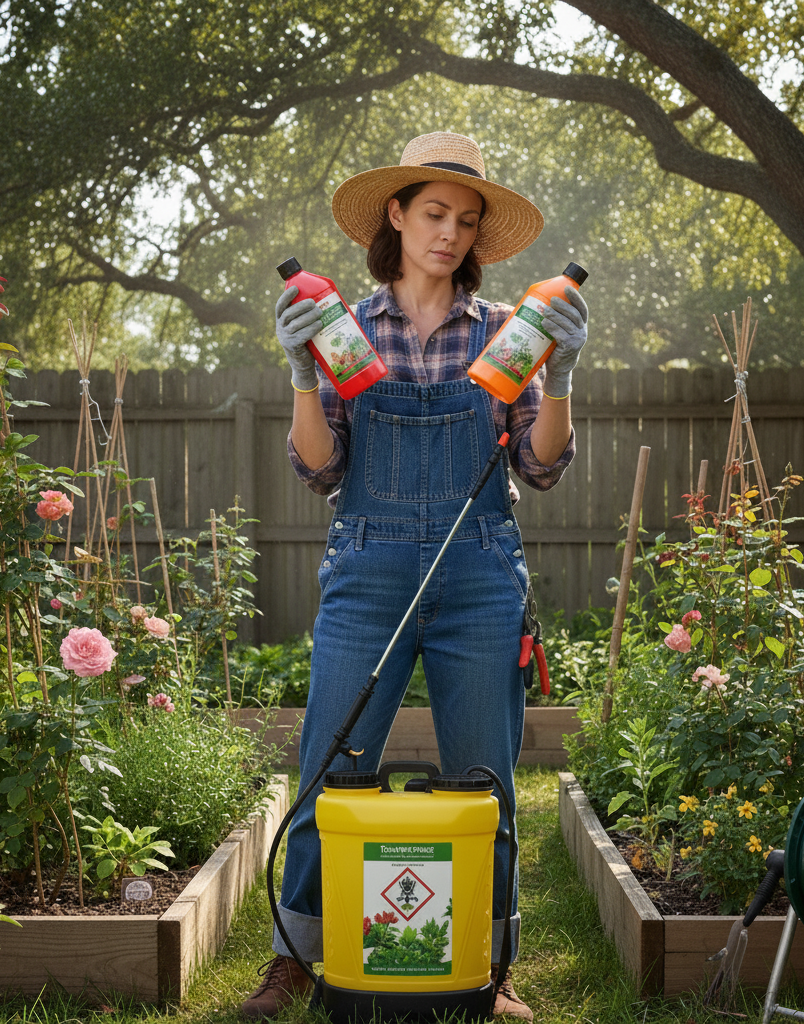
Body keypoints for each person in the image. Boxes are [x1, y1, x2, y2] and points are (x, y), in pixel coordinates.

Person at [242, 132, 587, 1022]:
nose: (450, 233)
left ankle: (490, 959)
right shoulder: (342, 329)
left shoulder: (510, 333)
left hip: (479, 570)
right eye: (435, 213)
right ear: (396, 215)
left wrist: (568, 375)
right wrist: (296, 373)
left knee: (487, 775)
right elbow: (320, 470)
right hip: (368, 567)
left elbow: (541, 468)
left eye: (466, 221)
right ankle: (298, 957)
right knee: (331, 764)